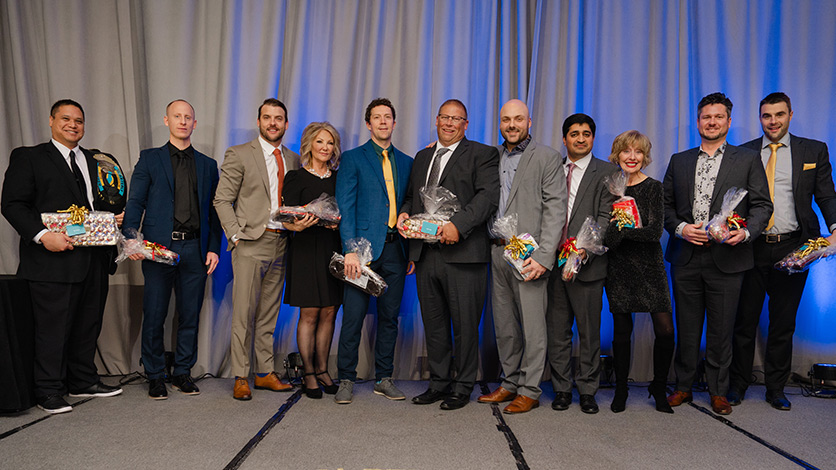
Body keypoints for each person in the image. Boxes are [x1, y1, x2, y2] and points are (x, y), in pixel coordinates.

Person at [2, 99, 124, 414]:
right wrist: (43, 237)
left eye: (79, 120)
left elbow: (100, 205)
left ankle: (82, 380)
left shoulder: (97, 161)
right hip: (51, 260)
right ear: (52, 121)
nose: (73, 125)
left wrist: (113, 219)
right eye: (66, 119)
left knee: (88, 324)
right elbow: (13, 204)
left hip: (94, 257)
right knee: (52, 329)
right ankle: (48, 390)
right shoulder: (29, 157)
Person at [663, 92, 772, 415]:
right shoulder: (679, 160)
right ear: (698, 122)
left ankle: (718, 390)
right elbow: (665, 206)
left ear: (729, 121)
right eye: (706, 117)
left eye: (718, 117)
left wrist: (747, 232)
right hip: (686, 254)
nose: (712, 122)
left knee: (722, 328)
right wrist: (681, 229)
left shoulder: (747, 159)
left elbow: (762, 205)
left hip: (729, 257)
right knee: (687, 325)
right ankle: (682, 386)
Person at [729, 92, 836, 410]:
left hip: (794, 247)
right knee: (744, 321)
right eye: (766, 116)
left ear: (790, 114)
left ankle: (776, 388)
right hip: (750, 248)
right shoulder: (744, 152)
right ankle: (737, 384)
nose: (772, 121)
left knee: (783, 321)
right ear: (759, 118)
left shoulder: (813, 150)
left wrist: (835, 228)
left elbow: (827, 195)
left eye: (779, 114)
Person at [399, 99, 499, 411]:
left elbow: (488, 198)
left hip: (465, 253)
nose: (449, 123)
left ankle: (463, 385)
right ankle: (439, 382)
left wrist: (459, 226)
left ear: (465, 124)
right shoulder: (423, 155)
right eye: (444, 117)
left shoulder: (483, 154)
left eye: (457, 119)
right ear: (437, 119)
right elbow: (411, 196)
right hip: (427, 253)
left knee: (466, 324)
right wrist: (404, 216)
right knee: (434, 323)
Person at [123, 99, 222, 400]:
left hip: (195, 247)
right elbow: (135, 201)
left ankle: (182, 372)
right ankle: (155, 375)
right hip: (157, 248)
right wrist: (130, 239)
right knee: (154, 312)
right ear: (166, 121)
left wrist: (214, 248)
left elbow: (214, 211)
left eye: (188, 117)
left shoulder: (207, 164)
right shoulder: (149, 159)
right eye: (177, 116)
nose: (182, 121)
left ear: (195, 123)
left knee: (189, 313)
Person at [476, 99, 566, 414]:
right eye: (505, 120)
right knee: (504, 325)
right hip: (497, 249)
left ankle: (530, 388)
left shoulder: (547, 157)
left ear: (530, 121)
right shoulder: (491, 156)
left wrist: (544, 257)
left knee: (532, 326)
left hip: (529, 255)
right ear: (499, 123)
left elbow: (556, 208)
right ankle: (509, 382)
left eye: (518, 119)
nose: (511, 125)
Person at [214, 98, 300, 400]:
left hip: (282, 243)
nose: (273, 123)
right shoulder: (239, 154)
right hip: (251, 243)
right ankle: (241, 375)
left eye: (279, 118)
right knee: (244, 314)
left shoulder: (293, 158)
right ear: (259, 121)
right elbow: (221, 199)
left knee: (269, 314)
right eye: (267, 117)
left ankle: (264, 373)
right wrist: (236, 236)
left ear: (286, 124)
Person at [335, 98, 413, 404]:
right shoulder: (353, 159)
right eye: (377, 117)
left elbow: (409, 202)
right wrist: (350, 250)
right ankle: (345, 378)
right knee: (353, 317)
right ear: (368, 124)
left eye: (388, 117)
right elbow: (346, 206)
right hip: (361, 254)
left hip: (397, 251)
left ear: (394, 123)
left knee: (390, 318)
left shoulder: (407, 162)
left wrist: (412, 252)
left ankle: (384, 377)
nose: (383, 122)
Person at [545, 113, 616, 414]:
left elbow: (606, 217)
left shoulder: (607, 172)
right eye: (574, 133)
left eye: (586, 133)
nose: (580, 138)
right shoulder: (552, 168)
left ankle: (587, 390)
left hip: (587, 266)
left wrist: (583, 250)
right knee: (557, 331)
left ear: (593, 138)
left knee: (589, 332)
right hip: (551, 264)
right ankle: (562, 389)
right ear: (564, 139)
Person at [603, 130, 674, 413]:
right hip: (619, 267)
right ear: (617, 154)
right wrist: (620, 231)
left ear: (645, 157)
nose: (632, 157)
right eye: (626, 151)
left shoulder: (654, 187)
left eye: (638, 152)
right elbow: (606, 240)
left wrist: (621, 228)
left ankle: (658, 387)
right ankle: (620, 388)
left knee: (666, 330)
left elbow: (655, 232)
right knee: (622, 331)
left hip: (650, 266)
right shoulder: (608, 187)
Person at [283, 121, 343, 399]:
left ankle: (322, 369)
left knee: (330, 311)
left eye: (329, 143)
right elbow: (287, 217)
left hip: (332, 249)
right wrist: (301, 220)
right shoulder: (295, 178)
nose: (325, 148)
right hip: (305, 249)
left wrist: (337, 224)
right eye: (320, 142)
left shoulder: (339, 177)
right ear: (309, 145)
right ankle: (308, 372)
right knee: (309, 313)